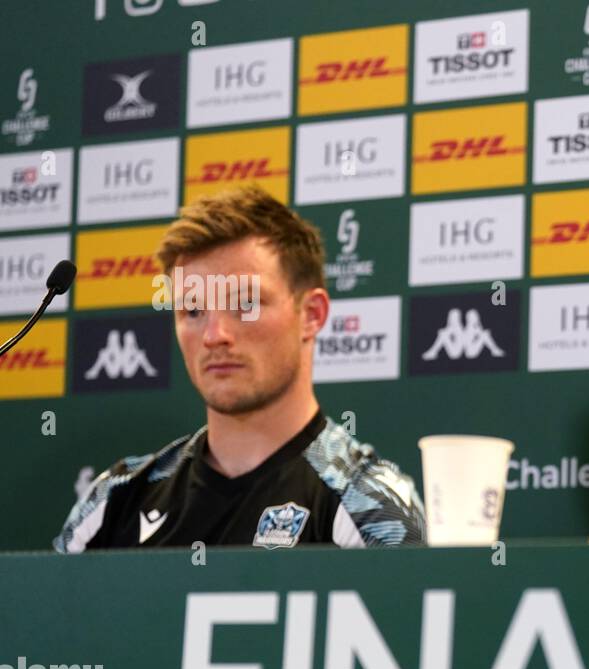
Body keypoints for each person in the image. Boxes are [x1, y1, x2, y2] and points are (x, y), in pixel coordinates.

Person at [54, 185, 426, 552]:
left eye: (245, 304)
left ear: (311, 315)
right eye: (194, 311)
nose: (215, 335)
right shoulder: (114, 499)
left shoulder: (366, 504)